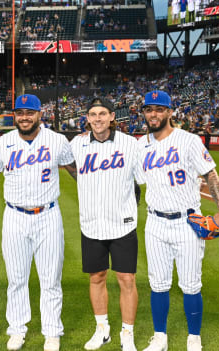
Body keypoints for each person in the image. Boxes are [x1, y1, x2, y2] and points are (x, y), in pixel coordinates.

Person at [137, 91, 219, 351]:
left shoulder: (188, 140)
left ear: (169, 112)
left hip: (186, 222)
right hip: (154, 222)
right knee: (158, 284)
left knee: (190, 284)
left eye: (158, 109)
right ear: (144, 113)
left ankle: (194, 338)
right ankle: (160, 338)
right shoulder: (141, 144)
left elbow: (210, 174)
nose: (153, 114)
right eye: (148, 109)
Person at [0, 94, 75, 351]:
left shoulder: (57, 141)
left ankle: (52, 331)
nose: (24, 117)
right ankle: (17, 328)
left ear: (40, 115)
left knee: (50, 279)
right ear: (14, 116)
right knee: (16, 278)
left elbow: (77, 172)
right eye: (20, 113)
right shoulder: (3, 143)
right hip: (14, 216)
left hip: (48, 215)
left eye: (29, 112)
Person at [68, 97, 142, 351]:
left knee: (126, 279)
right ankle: (102, 330)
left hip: (122, 224)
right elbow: (67, 164)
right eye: (92, 114)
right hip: (91, 224)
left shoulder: (130, 144)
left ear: (112, 116)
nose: (97, 118)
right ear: (87, 118)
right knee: (97, 277)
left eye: (102, 114)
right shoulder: (77, 144)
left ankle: (127, 334)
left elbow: (144, 176)